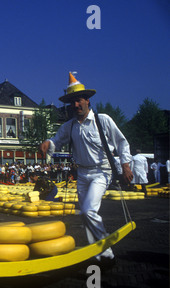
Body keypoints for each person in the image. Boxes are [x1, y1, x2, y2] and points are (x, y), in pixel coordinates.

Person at [39, 73, 133, 263]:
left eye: (79, 100)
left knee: (89, 210)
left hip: (102, 172)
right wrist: (48, 143)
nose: (76, 105)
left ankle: (106, 253)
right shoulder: (69, 126)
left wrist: (125, 165)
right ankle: (98, 254)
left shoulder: (103, 120)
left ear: (87, 101)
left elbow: (122, 143)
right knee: (86, 215)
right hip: (82, 173)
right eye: (72, 102)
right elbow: (56, 141)